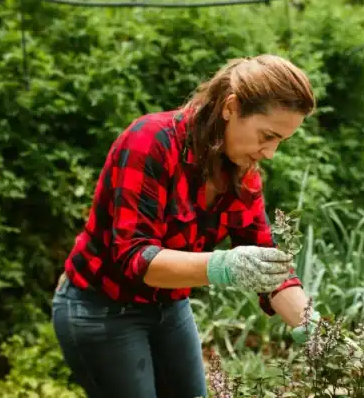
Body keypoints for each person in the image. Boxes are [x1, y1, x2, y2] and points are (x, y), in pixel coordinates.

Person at [51, 54, 323, 398]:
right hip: (101, 308)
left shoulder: (242, 174)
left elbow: (269, 267)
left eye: (280, 141)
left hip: (169, 308)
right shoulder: (149, 141)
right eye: (266, 136)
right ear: (231, 107)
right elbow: (136, 259)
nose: (270, 153)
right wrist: (223, 266)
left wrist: (315, 328)